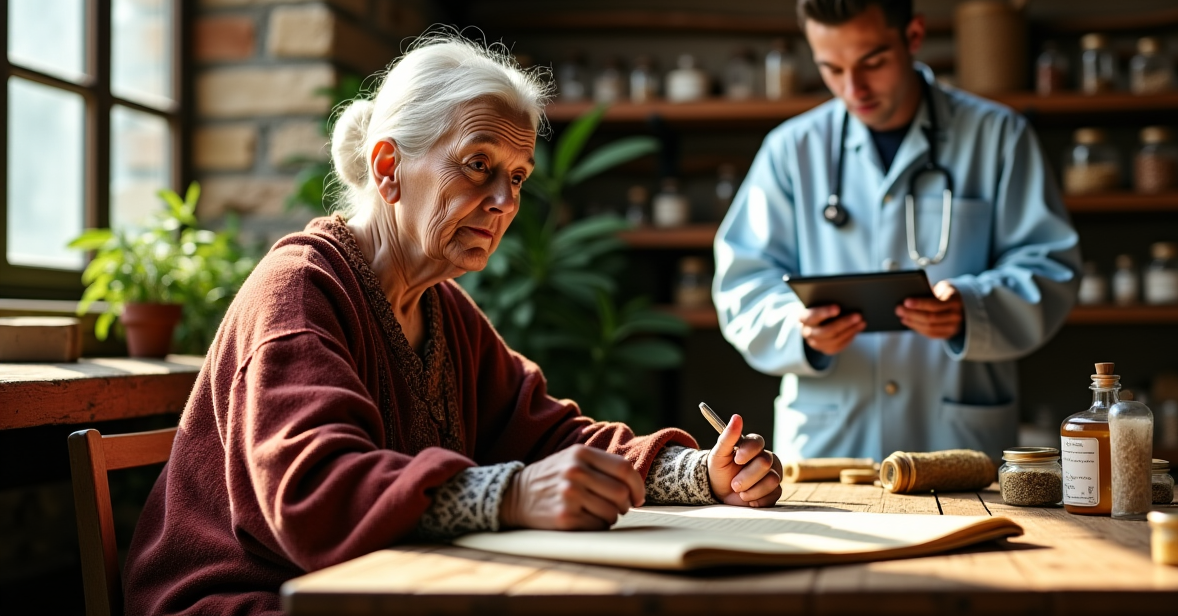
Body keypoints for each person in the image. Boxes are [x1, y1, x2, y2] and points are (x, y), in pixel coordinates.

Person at [123, 36, 782, 615]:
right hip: (251, 600)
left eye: (517, 177)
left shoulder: (443, 309)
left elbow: (549, 436)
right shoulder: (299, 292)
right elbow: (315, 491)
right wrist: (511, 493)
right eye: (478, 164)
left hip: (371, 588)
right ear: (388, 168)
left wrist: (700, 473)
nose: (504, 202)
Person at [713, 0, 1080, 462]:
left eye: (873, 62)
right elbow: (742, 283)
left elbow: (1050, 267)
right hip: (828, 450)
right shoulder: (791, 150)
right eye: (831, 68)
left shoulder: (998, 136)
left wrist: (971, 308)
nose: (853, 89)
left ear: (914, 36)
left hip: (957, 444)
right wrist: (796, 327)